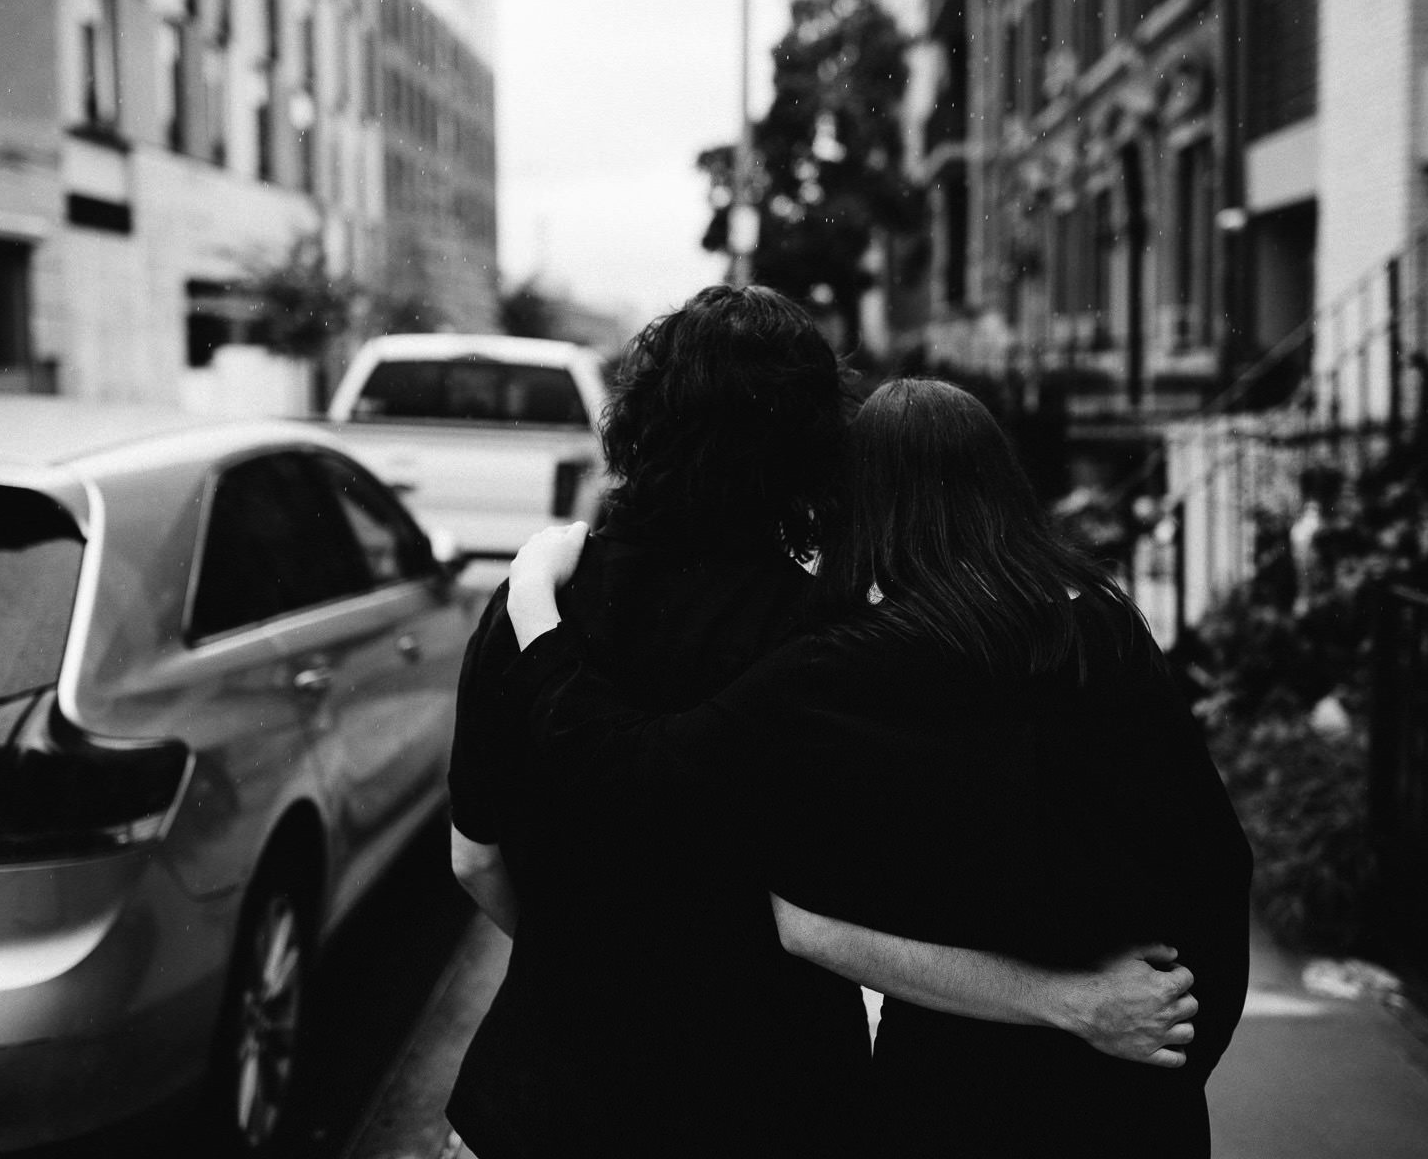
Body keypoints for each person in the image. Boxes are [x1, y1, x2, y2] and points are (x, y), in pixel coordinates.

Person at [445, 291, 1200, 1158]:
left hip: (539, 1100)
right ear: (817, 448)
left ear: (640, 424)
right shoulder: (828, 640)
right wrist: (1072, 1002)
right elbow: (861, 917)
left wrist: (583, 956)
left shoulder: (530, 602)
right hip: (772, 1103)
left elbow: (474, 859)